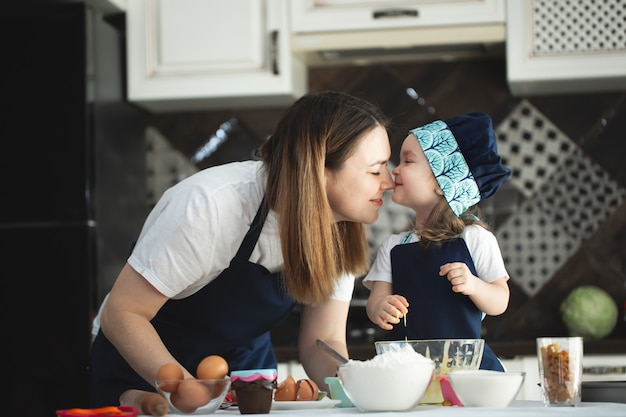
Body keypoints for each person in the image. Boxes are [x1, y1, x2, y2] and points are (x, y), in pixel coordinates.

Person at [89, 90, 395, 413]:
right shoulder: (212, 206)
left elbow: (323, 342)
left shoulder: (339, 226)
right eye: (375, 170)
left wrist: (362, 391)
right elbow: (123, 312)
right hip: (140, 376)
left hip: (245, 382)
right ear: (319, 169)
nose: (389, 181)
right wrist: (182, 386)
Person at [363, 112, 511, 371]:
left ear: (444, 184)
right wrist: (381, 308)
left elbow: (500, 301)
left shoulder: (475, 238)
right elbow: (375, 303)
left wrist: (474, 285)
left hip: (466, 369)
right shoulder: (393, 246)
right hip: (408, 372)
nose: (395, 169)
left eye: (407, 161)